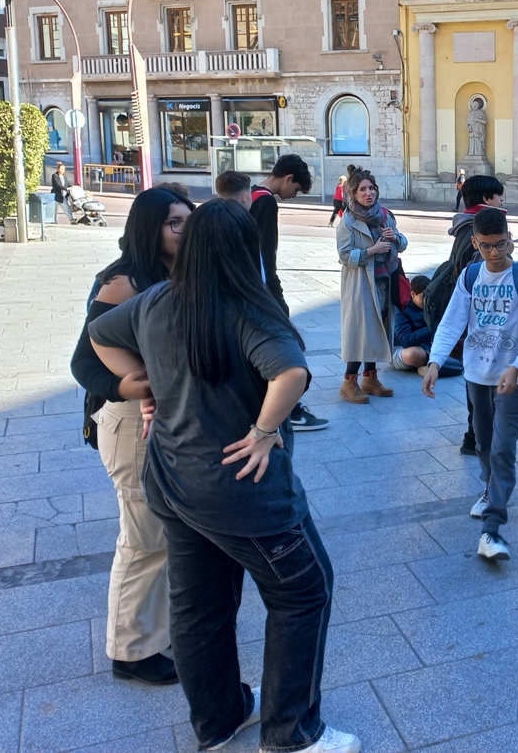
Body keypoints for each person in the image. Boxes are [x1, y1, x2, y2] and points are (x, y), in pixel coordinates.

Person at [89, 201, 359, 753]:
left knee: (199, 607)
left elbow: (99, 334)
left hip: (172, 482)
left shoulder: (156, 300)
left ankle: (218, 720)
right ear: (243, 251)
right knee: (305, 591)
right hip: (242, 492)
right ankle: (290, 734)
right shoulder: (246, 307)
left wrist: (141, 385)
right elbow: (291, 373)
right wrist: (263, 431)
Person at [69, 187, 195, 687]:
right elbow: (84, 360)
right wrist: (128, 385)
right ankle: (130, 651)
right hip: (130, 424)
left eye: (188, 221)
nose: (184, 231)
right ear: (149, 228)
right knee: (143, 539)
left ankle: (155, 632)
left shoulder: (176, 273)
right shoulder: (123, 282)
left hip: (166, 420)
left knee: (164, 535)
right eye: (174, 223)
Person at [423, 206, 518, 561]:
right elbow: (452, 322)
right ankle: (489, 487)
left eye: (502, 244)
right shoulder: (470, 275)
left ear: (511, 238)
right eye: (487, 246)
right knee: (483, 443)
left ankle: (491, 531)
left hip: (513, 380)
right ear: (475, 244)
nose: (495, 253)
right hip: (476, 374)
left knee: (503, 449)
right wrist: (434, 361)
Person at [250, 154, 327, 431]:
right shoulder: (266, 202)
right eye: (296, 189)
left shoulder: (251, 194)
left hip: (248, 286)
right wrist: (275, 294)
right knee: (287, 343)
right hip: (262, 288)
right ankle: (290, 409)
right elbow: (265, 254)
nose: (294, 195)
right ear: (288, 178)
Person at [337, 168, 408, 404]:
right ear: (353, 193)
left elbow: (403, 243)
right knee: (362, 332)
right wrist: (372, 250)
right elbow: (344, 256)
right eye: (363, 189)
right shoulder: (348, 221)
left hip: (384, 281)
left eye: (371, 188)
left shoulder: (385, 215)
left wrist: (395, 238)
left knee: (378, 330)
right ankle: (349, 382)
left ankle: (370, 378)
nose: (368, 193)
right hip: (360, 284)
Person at [448, 174, 506, 454]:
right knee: (481, 378)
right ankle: (476, 436)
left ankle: (475, 435)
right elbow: (487, 277)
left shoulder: (463, 226)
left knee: (477, 375)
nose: (502, 200)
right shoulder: (479, 231)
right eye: (498, 196)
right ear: (486, 199)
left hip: (474, 319)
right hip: (482, 319)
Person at [391, 274, 463, 377]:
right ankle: (435, 365)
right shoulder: (402, 309)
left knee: (459, 344)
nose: (426, 300)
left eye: (429, 296)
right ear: (413, 294)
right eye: (423, 297)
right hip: (403, 350)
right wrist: (432, 328)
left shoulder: (431, 305)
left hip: (428, 347)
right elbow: (405, 340)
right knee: (414, 354)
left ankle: (430, 366)